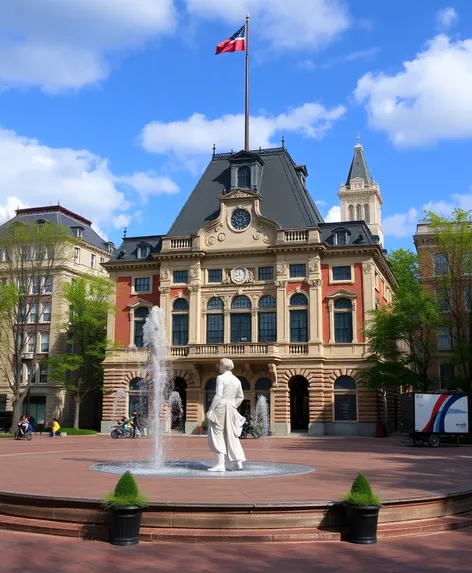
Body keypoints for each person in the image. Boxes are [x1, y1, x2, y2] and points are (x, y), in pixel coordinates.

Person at [206, 358, 246, 472]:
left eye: (220, 364)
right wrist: (233, 405)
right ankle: (238, 461)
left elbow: (218, 395)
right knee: (231, 434)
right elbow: (241, 397)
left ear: (224, 366)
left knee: (217, 433)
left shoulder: (221, 378)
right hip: (231, 407)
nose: (219, 366)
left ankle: (220, 464)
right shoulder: (237, 380)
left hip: (220, 406)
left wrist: (211, 409)